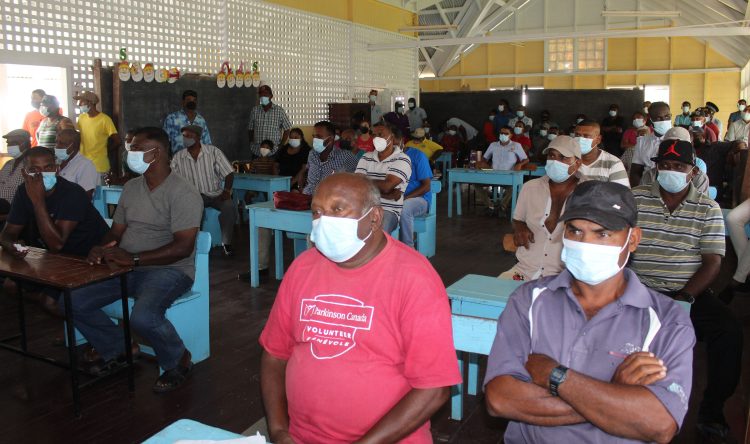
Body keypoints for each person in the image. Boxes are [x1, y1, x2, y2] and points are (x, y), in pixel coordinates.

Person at [485, 180, 695, 444]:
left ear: (633, 240)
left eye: (602, 234)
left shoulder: (666, 321)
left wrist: (555, 376)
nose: (585, 244)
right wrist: (616, 393)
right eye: (575, 231)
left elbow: (659, 424)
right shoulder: (529, 300)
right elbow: (500, 400)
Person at [259, 172, 460, 444]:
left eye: (338, 210)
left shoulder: (414, 278)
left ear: (375, 218)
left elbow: (434, 388)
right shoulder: (303, 268)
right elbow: (274, 355)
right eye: (317, 212)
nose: (324, 221)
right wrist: (280, 431)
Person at [66, 127, 203, 392]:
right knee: (72, 300)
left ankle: (179, 359)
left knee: (143, 316)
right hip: (126, 267)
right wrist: (101, 248)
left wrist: (135, 259)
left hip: (170, 270)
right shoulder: (132, 187)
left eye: (137, 148)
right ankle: (119, 347)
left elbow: (183, 248)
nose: (130, 153)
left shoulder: (183, 192)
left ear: (157, 153)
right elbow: (116, 233)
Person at [630, 139, 742, 442]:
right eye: (664, 165)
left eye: (678, 166)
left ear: (692, 171)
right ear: (655, 168)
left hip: (687, 294)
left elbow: (712, 261)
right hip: (639, 291)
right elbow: (620, 247)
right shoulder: (635, 199)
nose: (670, 171)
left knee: (728, 331)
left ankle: (711, 409)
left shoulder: (707, 208)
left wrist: (684, 298)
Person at [500, 135, 582, 281]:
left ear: (577, 163)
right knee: (494, 296)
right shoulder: (530, 188)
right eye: (551, 156)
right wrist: (519, 227)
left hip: (566, 277)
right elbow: (517, 219)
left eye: (563, 158)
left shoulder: (588, 193)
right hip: (525, 270)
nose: (555, 162)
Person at [0, 147, 108, 257]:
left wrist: (38, 200)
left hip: (90, 258)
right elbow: (8, 233)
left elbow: (56, 245)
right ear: (24, 173)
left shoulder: (72, 193)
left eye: (48, 168)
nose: (41, 174)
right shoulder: (23, 191)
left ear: (57, 170)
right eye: (34, 170)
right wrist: (11, 245)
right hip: (54, 259)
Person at [171, 125, 236, 256]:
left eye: (189, 136)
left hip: (216, 194)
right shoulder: (178, 157)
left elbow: (229, 173)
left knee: (229, 207)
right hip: (194, 197)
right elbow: (172, 179)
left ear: (198, 137)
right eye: (184, 136)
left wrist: (227, 191)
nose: (186, 139)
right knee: (193, 210)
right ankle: (195, 245)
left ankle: (226, 243)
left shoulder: (213, 152)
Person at [355, 123, 412, 233]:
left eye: (380, 134)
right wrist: (388, 194)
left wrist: (365, 182)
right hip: (363, 208)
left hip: (388, 210)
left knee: (376, 232)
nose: (376, 138)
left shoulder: (402, 159)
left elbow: (387, 186)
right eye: (374, 135)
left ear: (392, 137)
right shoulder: (366, 157)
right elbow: (357, 185)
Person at [476, 126, 528, 214]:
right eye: (501, 133)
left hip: (508, 177)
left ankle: (502, 207)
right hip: (493, 175)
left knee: (514, 188)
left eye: (506, 133)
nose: (503, 135)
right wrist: (482, 163)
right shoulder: (493, 145)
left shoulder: (516, 145)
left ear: (511, 135)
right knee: (476, 184)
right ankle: (489, 205)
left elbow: (526, 159)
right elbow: (485, 158)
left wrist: (520, 164)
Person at [302, 121, 358, 195]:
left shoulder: (346, 157)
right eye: (314, 136)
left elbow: (357, 180)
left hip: (330, 200)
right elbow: (308, 176)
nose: (315, 139)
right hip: (308, 196)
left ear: (331, 138)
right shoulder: (312, 154)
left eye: (319, 136)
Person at [74, 91, 120, 175]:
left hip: (99, 166)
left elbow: (117, 141)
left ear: (90, 103)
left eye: (81, 101)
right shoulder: (81, 118)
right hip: (82, 163)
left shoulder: (104, 119)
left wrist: (104, 150)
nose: (79, 104)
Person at [629, 101, 673, 186]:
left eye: (667, 116)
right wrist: (638, 192)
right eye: (658, 118)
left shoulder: (680, 139)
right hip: (647, 187)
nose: (664, 121)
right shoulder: (642, 141)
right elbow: (635, 172)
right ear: (651, 119)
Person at [574, 120, 629, 187]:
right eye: (577, 135)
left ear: (598, 139)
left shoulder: (613, 163)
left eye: (586, 136)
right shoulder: (565, 160)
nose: (580, 139)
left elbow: (622, 195)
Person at [400, 139, 432, 248]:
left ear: (400, 141)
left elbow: (426, 186)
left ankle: (408, 248)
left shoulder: (418, 155)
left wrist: (404, 198)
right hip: (395, 197)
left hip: (420, 199)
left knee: (404, 208)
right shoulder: (388, 156)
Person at [248, 84, 291, 157]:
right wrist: (251, 142)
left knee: (273, 168)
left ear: (271, 96)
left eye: (265, 94)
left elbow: (287, 129)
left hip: (274, 151)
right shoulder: (255, 110)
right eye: (261, 94)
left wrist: (281, 145)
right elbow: (250, 129)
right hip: (257, 151)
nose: (263, 96)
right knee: (257, 168)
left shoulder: (279, 111)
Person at [55, 129, 99, 198]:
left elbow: (86, 197)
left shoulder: (85, 165)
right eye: (56, 142)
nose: (57, 146)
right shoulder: (55, 163)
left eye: (62, 143)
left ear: (73, 145)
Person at [0, 129, 33, 220]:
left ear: (26, 143)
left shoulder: (32, 165)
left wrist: (8, 216)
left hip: (15, 214)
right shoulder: (8, 164)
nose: (10, 146)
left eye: (14, 143)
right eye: (8, 144)